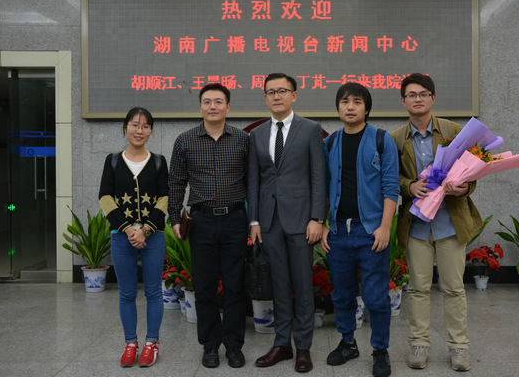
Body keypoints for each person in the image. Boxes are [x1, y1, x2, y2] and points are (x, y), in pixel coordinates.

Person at [391, 73, 482, 372]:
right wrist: (409, 186)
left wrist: (463, 188)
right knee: (418, 288)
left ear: (433, 98)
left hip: (449, 223)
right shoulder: (395, 139)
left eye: (423, 94)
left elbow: (473, 174)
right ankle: (419, 343)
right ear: (403, 101)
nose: (417, 99)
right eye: (411, 95)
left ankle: (459, 347)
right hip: (417, 225)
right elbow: (391, 178)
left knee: (454, 288)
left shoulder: (455, 132)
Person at [248, 73, 326, 373]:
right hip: (269, 221)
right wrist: (255, 220)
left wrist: (317, 218)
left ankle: (303, 347)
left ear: (294, 95)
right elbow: (254, 180)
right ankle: (282, 344)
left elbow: (319, 176)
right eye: (271, 92)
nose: (276, 96)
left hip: (302, 220)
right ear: (265, 97)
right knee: (278, 284)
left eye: (282, 91)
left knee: (303, 285)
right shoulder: (257, 134)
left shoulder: (310, 129)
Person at [168, 83, 249, 369]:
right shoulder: (185, 140)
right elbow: (176, 182)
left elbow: (253, 182)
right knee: (204, 287)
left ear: (228, 107)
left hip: (235, 220)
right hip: (200, 221)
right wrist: (174, 217)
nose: (212, 106)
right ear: (200, 106)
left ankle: (234, 346)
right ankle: (210, 345)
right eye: (207, 101)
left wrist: (254, 221)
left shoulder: (243, 140)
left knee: (235, 286)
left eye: (218, 101)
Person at [321, 83, 399, 377]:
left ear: (366, 108)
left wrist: (385, 227)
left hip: (371, 232)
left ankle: (380, 350)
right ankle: (348, 343)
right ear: (338, 108)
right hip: (338, 232)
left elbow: (391, 186)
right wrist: (324, 223)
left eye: (356, 101)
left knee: (376, 297)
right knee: (342, 294)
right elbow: (325, 187)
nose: (350, 106)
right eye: (344, 101)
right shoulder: (330, 143)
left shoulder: (381, 139)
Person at [98, 107, 169, 368]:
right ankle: (131, 344)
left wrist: (145, 229)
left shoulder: (159, 161)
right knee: (126, 293)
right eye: (135, 125)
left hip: (153, 236)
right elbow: (105, 197)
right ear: (125, 127)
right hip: (122, 236)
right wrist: (129, 229)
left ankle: (151, 343)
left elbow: (164, 198)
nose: (140, 130)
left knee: (153, 292)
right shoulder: (113, 161)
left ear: (151, 131)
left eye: (146, 126)